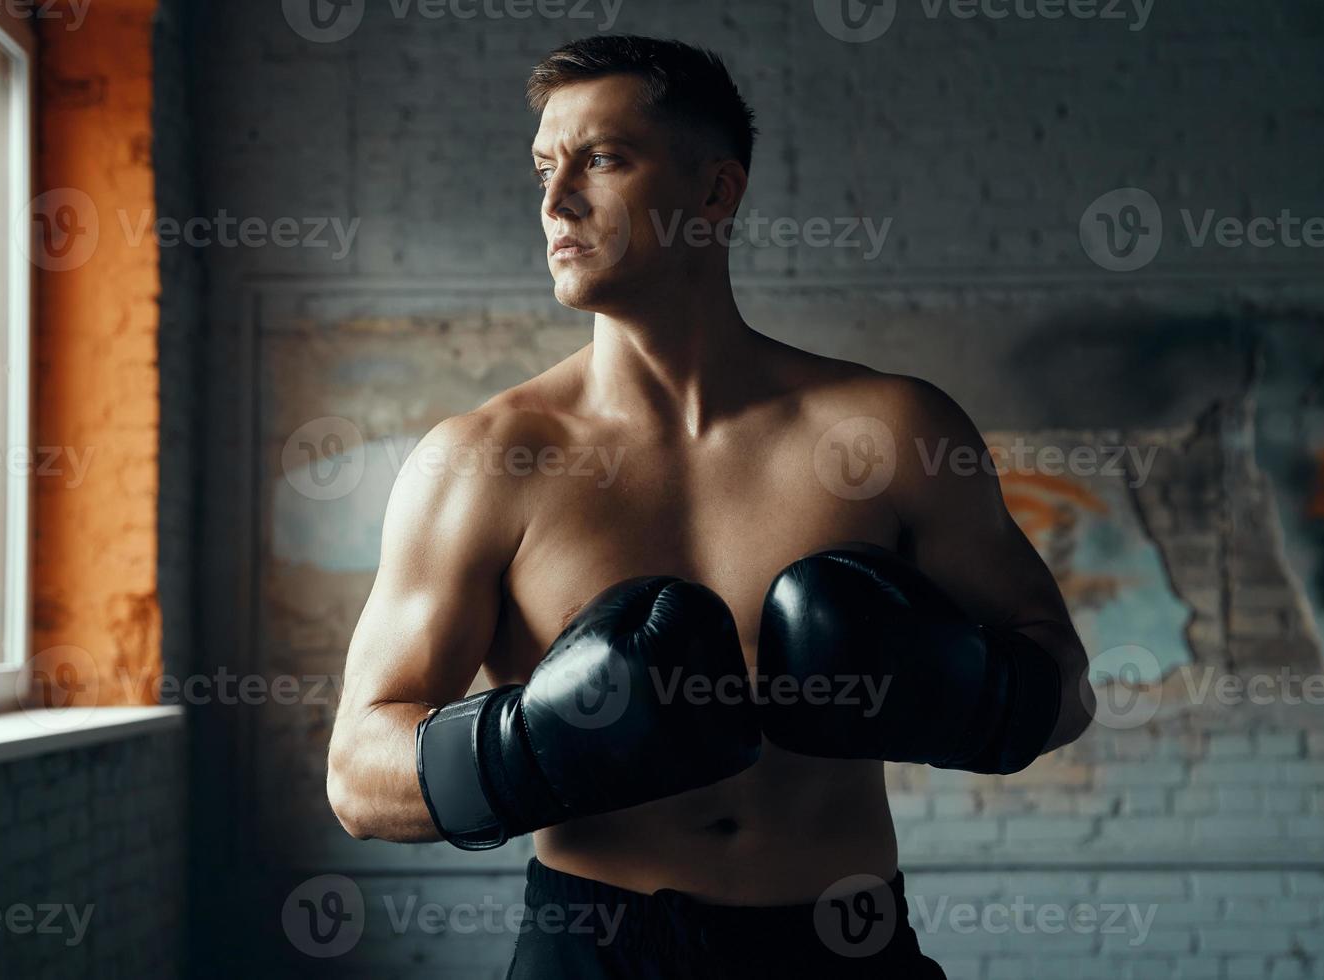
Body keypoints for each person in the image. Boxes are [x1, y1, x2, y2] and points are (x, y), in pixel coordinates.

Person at [327, 34, 1093, 979]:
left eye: (602, 158)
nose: (555, 200)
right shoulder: (483, 461)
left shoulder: (888, 432)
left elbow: (1067, 685)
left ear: (716, 194)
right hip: (595, 951)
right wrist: (538, 743)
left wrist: (959, 687)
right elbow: (358, 777)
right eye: (543, 166)